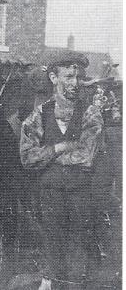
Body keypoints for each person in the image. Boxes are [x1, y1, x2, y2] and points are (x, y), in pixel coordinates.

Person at [20, 50, 103, 290]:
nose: (75, 83)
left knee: (78, 248)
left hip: (80, 194)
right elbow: (27, 158)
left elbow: (86, 156)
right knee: (51, 245)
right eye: (68, 77)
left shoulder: (91, 113)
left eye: (78, 77)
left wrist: (46, 155)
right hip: (49, 194)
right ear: (54, 78)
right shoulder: (39, 115)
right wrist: (59, 147)